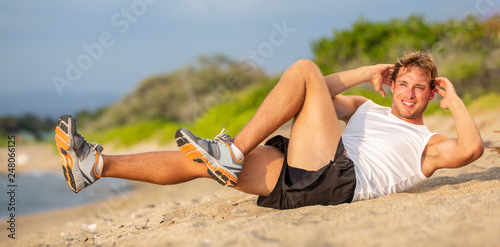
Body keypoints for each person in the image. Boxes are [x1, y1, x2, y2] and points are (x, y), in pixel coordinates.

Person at [54, 51, 484, 209]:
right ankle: (95, 165)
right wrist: (368, 70)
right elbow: (315, 94)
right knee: (201, 165)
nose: (408, 95)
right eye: (403, 84)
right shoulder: (367, 108)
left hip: (339, 179)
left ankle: (232, 150)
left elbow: (471, 149)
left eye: (419, 89)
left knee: (303, 67)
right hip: (306, 176)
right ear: (393, 85)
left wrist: (455, 97)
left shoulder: (429, 144)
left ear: (430, 95)